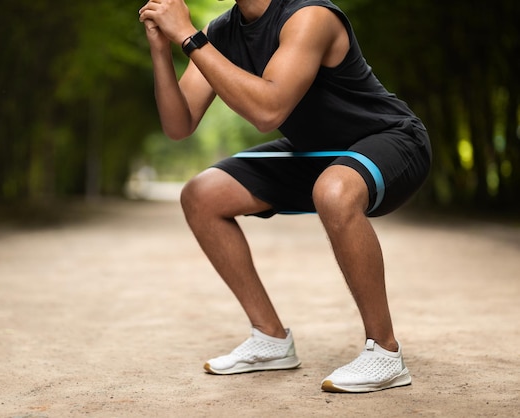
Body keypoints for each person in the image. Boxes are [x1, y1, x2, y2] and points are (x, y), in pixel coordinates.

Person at [139, 0, 431, 393]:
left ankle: (385, 352)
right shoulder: (223, 32)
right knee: (202, 194)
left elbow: (268, 110)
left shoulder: (310, 15)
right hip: (318, 154)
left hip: (393, 140)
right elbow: (179, 125)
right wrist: (162, 48)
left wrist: (190, 39)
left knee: (333, 189)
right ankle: (270, 337)